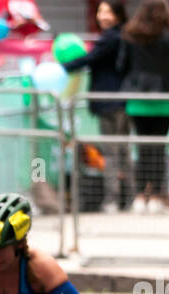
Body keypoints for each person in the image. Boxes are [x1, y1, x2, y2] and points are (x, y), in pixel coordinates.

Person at [117, 0, 169, 213]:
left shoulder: (130, 35)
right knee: (158, 148)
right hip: (164, 99)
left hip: (137, 99)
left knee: (141, 148)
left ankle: (140, 196)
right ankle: (157, 197)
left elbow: (121, 66)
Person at [60, 1, 132, 213]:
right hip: (116, 102)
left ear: (118, 15)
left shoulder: (112, 37)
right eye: (101, 11)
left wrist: (63, 66)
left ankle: (113, 200)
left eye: (108, 12)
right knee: (122, 151)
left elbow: (90, 58)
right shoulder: (118, 36)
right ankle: (129, 198)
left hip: (111, 103)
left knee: (113, 153)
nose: (103, 16)